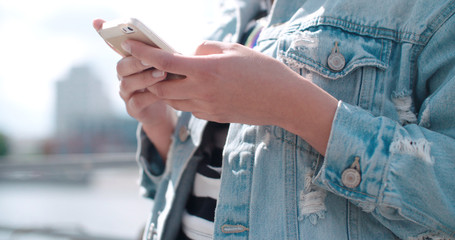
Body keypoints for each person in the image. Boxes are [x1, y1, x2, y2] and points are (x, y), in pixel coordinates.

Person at [94, 0, 455, 239]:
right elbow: (204, 186)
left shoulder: (426, 10)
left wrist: (291, 104)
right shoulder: (233, 12)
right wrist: (160, 124)